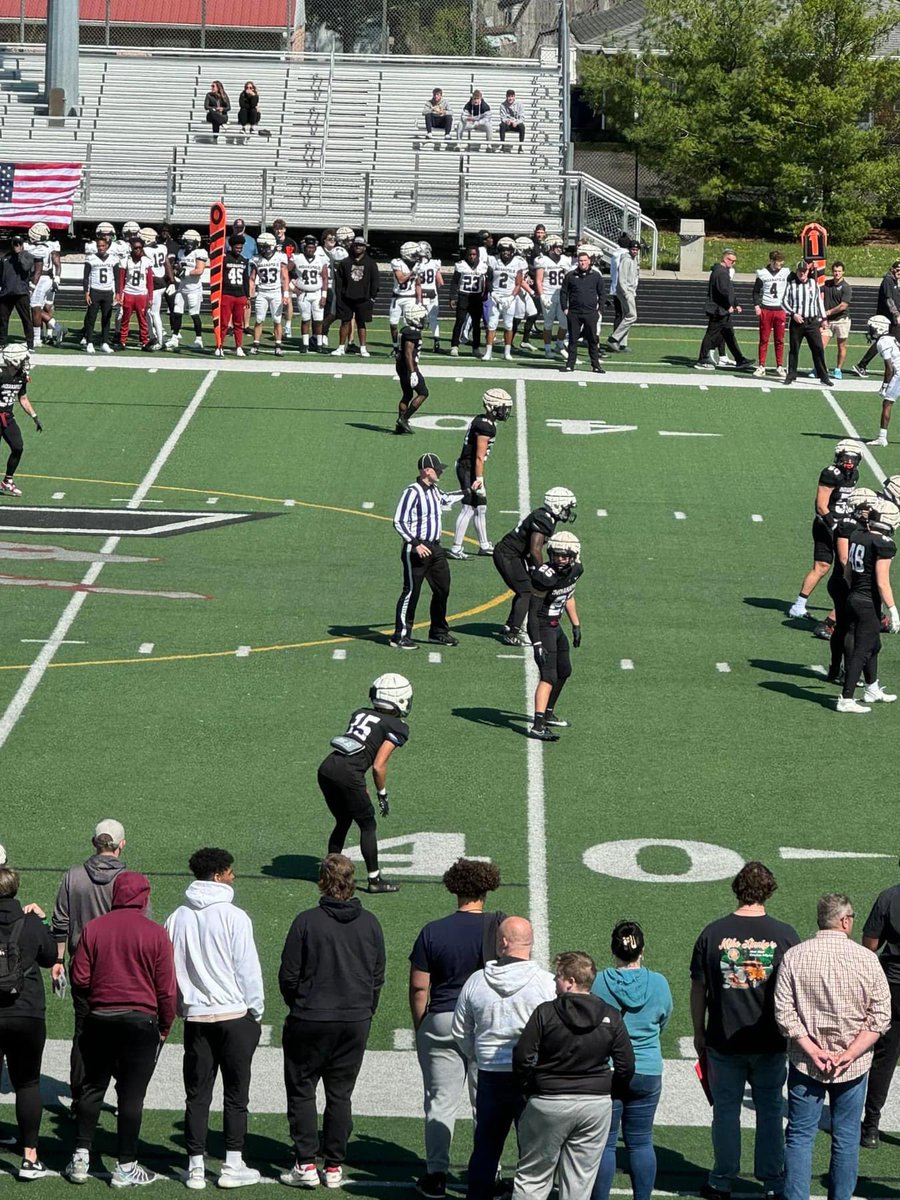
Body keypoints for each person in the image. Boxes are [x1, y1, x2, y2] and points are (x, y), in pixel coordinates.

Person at [690, 862, 800, 1200]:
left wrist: (698, 1031)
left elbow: (699, 988)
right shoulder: (785, 935)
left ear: (737, 889)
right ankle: (772, 1181)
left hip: (724, 1039)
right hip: (770, 1040)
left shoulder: (713, 933)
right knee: (769, 1111)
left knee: (725, 1112)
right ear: (769, 891)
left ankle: (722, 1178)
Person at [278, 854, 385, 1192]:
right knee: (340, 1094)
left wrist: (300, 1004)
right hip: (354, 1020)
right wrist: (364, 1009)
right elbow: (377, 976)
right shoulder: (370, 923)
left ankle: (306, 1162)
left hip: (310, 1017)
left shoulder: (306, 921)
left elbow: (288, 975)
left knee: (302, 1089)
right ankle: (335, 1166)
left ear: (323, 882)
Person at [774, 893, 891, 1200]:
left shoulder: (795, 957)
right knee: (846, 1137)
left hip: (805, 1062)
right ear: (844, 921)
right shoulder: (866, 959)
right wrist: (849, 1054)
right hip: (852, 1065)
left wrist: (812, 1050)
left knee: (800, 1136)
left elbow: (784, 1014)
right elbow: (880, 1017)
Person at [65, 871, 177, 1188]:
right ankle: (126, 1164)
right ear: (143, 897)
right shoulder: (155, 933)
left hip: (100, 1018)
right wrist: (166, 1025)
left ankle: (81, 1157)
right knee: (131, 1096)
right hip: (142, 1022)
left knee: (92, 1088)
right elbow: (167, 988)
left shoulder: (95, 928)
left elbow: (81, 978)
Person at [165, 848, 263, 1189]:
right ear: (219, 875)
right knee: (236, 1094)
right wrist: (256, 1010)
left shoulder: (177, 917)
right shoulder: (235, 917)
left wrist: (180, 1006)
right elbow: (248, 970)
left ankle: (195, 1167)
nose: (234, 876)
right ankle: (233, 1164)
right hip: (235, 1016)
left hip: (196, 1019)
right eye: (231, 871)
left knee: (197, 1094)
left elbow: (170, 970)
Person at [409, 859, 505, 1200]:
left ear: (454, 888)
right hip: (486, 1023)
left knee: (439, 1103)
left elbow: (420, 988)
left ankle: (436, 1174)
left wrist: (422, 1025)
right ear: (487, 888)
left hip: (442, 1018)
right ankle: (488, 1175)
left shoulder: (433, 930)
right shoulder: (500, 928)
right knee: (486, 1104)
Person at [512, 951, 635, 1200]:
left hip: (549, 1101)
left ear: (570, 981)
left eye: (558, 977)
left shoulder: (545, 1012)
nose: (555, 982)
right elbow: (626, 1065)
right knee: (578, 1183)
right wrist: (609, 1091)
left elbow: (522, 1056)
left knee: (533, 1178)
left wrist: (530, 1086)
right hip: (595, 1105)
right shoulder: (611, 1015)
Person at [452, 917, 556, 1200]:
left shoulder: (477, 981)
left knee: (485, 1148)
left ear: (503, 943)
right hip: (531, 1077)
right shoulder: (547, 984)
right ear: (530, 943)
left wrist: (479, 1055)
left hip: (489, 1075)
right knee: (532, 1151)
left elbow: (460, 1030)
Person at [51, 818, 128, 1114]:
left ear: (94, 842)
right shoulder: (128, 880)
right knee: (122, 1033)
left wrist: (58, 960)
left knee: (83, 1034)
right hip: (120, 970)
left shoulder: (74, 876)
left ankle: (79, 1098)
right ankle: (124, 1097)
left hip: (82, 967)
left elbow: (60, 922)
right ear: (121, 844)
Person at [591, 922, 673, 1200]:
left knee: (605, 1144)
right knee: (640, 1142)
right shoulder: (659, 982)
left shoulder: (599, 981)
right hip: (647, 1069)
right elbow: (663, 1020)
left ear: (613, 949)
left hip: (609, 1068)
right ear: (642, 949)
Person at [318, 673, 412, 895]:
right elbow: (379, 766)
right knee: (368, 825)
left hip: (328, 767)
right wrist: (382, 794)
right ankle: (374, 879)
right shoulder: (397, 726)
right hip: (349, 773)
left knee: (343, 820)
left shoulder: (360, 712)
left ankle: (328, 875)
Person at [0, 865, 57, 1180]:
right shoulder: (31, 922)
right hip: (27, 1011)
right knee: (28, 1083)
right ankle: (30, 1157)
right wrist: (42, 921)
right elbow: (49, 958)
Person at [392, 453, 462, 650]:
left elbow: (446, 499)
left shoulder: (434, 490)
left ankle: (438, 631)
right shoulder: (412, 492)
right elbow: (399, 520)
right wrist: (415, 543)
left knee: (443, 588)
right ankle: (400, 635)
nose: (440, 472)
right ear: (427, 470)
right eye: (437, 469)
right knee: (411, 592)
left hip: (435, 548)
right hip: (416, 549)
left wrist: (467, 491)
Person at [837, 496, 900, 713]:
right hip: (866, 601)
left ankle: (872, 688)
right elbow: (883, 582)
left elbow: (847, 571)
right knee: (862, 650)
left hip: (854, 596)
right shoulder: (883, 544)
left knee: (874, 645)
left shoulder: (857, 535)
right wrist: (893, 611)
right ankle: (846, 698)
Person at [788, 439, 863, 621]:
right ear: (838, 457)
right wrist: (834, 525)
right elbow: (821, 505)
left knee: (823, 566)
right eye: (846, 458)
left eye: (853, 459)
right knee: (844, 564)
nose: (849, 462)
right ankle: (849, 603)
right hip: (827, 525)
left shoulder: (854, 474)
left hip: (841, 524)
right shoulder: (831, 474)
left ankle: (798, 607)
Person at [493, 487, 577, 647]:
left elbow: (532, 551)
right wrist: (543, 572)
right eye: (567, 508)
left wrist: (535, 569)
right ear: (557, 506)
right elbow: (535, 549)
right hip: (508, 554)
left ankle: (510, 625)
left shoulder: (546, 516)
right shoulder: (544, 519)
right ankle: (513, 633)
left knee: (526, 589)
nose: (568, 512)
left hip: (514, 555)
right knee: (526, 591)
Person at [527, 531, 583, 741]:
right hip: (542, 626)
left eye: (565, 555)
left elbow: (568, 595)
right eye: (556, 554)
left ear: (574, 556)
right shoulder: (544, 576)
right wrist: (537, 643)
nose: (560, 559)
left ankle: (548, 713)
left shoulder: (576, 570)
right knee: (548, 676)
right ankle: (538, 725)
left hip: (555, 625)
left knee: (564, 670)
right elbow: (532, 613)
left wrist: (576, 624)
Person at [860, 865, 900, 1147]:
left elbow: (870, 945)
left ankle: (871, 1126)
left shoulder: (888, 898)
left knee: (884, 1059)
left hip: (893, 987)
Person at [449, 388, 514, 559]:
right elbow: (479, 456)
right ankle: (456, 548)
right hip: (468, 468)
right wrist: (479, 479)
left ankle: (484, 545)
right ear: (492, 406)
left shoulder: (483, 420)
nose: (505, 411)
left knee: (481, 507)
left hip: (470, 467)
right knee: (469, 507)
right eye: (502, 407)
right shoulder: (485, 426)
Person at [695, 249, 755, 372]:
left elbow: (729, 290)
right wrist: (728, 305)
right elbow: (723, 292)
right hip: (719, 310)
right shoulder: (721, 273)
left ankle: (740, 359)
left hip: (722, 310)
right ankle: (702, 359)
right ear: (724, 258)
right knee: (711, 334)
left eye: (734, 261)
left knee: (729, 335)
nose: (732, 263)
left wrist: (735, 303)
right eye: (730, 260)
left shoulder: (722, 271)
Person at [0, 342, 41, 497]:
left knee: (18, 447)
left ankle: (7, 480)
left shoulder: (21, 376)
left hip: (8, 417)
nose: (26, 362)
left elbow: (22, 398)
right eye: (23, 359)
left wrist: (34, 416)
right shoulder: (1, 374)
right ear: (15, 360)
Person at [782, 259, 832, 386]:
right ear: (797, 271)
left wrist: (824, 318)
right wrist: (793, 314)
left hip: (812, 322)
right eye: (800, 271)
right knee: (794, 349)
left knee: (818, 348)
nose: (802, 274)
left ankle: (823, 376)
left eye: (804, 271)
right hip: (797, 322)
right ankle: (791, 374)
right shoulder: (791, 284)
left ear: (808, 271)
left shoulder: (813, 284)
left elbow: (819, 302)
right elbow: (783, 302)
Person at [852, 261, 900, 378]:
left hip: (891, 319)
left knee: (885, 342)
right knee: (883, 342)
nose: (899, 272)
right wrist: (897, 314)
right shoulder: (888, 281)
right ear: (892, 269)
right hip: (887, 320)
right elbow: (889, 300)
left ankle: (863, 365)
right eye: (898, 269)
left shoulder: (894, 282)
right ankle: (862, 365)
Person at [559, 250, 605, 374]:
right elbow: (563, 293)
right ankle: (570, 365)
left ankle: (596, 365)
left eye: (585, 261)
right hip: (574, 312)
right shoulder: (570, 275)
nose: (583, 263)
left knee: (592, 340)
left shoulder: (596, 275)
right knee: (573, 340)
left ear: (589, 261)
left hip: (590, 313)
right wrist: (565, 308)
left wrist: (600, 309)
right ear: (577, 262)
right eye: (580, 261)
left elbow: (602, 294)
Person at [333, 237, 379, 357]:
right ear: (352, 246)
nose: (358, 247)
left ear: (365, 247)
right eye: (356, 245)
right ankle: (341, 347)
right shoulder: (345, 262)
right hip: (346, 298)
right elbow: (339, 282)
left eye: (361, 245)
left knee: (361, 323)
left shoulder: (371, 263)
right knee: (345, 322)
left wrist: (372, 297)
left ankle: (363, 348)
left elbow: (375, 282)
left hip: (363, 299)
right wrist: (340, 296)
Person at [862, 314, 900, 447]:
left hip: (898, 375)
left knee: (887, 403)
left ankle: (882, 437)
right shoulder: (890, 338)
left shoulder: (883, 342)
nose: (870, 330)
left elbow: (890, 368)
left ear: (878, 328)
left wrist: (884, 386)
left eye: (871, 328)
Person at [166, 229, 208, 351]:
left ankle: (199, 340)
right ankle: (174, 338)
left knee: (194, 314)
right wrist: (176, 272)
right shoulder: (181, 252)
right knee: (177, 312)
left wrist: (186, 272)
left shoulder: (200, 252)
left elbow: (199, 270)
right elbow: (178, 268)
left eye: (189, 241)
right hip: (182, 287)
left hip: (194, 289)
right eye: (186, 241)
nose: (187, 244)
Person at [249, 232, 289, 357]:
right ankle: (255, 344)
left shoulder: (280, 257)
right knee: (259, 319)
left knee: (277, 320)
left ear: (272, 245)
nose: (263, 249)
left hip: (276, 292)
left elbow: (284, 276)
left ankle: (278, 345)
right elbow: (252, 278)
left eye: (265, 246)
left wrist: (286, 294)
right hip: (262, 292)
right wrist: (250, 294)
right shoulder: (256, 258)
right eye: (261, 246)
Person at [484, 238, 524, 362]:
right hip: (496, 296)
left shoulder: (518, 262)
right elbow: (488, 280)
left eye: (508, 250)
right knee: (492, 324)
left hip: (509, 297)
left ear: (513, 251)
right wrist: (493, 293)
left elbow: (518, 283)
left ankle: (507, 352)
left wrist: (512, 297)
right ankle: (488, 352)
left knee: (508, 325)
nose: (506, 252)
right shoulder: (493, 260)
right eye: (503, 250)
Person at [24, 221, 63, 348]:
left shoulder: (32, 248)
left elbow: (37, 270)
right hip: (50, 278)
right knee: (47, 307)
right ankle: (47, 334)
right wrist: (57, 279)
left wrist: (32, 285)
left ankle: (40, 337)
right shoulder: (52, 245)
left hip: (40, 279)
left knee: (35, 308)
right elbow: (57, 263)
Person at [751, 250, 789, 378]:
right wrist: (757, 306)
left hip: (780, 309)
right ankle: (761, 365)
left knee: (780, 340)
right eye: (778, 261)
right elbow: (756, 291)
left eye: (782, 261)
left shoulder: (786, 272)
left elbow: (801, 276)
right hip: (766, 308)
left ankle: (779, 366)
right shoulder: (762, 273)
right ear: (772, 261)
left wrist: (811, 268)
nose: (781, 263)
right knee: (764, 339)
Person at [395, 303, 430, 436]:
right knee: (423, 393)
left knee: (407, 395)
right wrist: (413, 372)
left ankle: (399, 426)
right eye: (421, 318)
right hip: (409, 367)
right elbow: (408, 353)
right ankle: (404, 419)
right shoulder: (412, 333)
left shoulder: (405, 329)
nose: (423, 320)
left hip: (401, 366)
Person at [80, 232, 118, 354]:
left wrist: (117, 293)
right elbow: (85, 277)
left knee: (106, 319)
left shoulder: (113, 259)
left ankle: (104, 342)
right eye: (99, 246)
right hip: (95, 291)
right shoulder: (91, 258)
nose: (101, 248)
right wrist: (86, 292)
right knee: (91, 318)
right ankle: (90, 342)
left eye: (103, 246)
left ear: (107, 246)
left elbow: (117, 277)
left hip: (107, 292)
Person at [291, 235, 329, 354]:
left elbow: (325, 278)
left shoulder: (321, 259)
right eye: (308, 247)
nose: (310, 250)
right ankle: (305, 344)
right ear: (304, 247)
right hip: (303, 294)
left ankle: (319, 344)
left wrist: (324, 295)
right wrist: (293, 288)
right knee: (305, 319)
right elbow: (284, 273)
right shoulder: (297, 258)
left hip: (317, 293)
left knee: (318, 320)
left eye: (313, 247)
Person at [534, 237, 571, 358]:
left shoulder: (565, 260)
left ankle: (559, 345)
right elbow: (539, 280)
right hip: (548, 295)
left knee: (565, 323)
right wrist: (542, 296)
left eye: (561, 247)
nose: (560, 249)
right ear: (550, 247)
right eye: (557, 247)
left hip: (562, 295)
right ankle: (547, 348)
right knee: (548, 323)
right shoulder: (542, 260)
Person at [116, 235, 154, 351]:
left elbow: (150, 282)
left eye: (140, 248)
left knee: (142, 319)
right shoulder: (125, 262)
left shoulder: (146, 262)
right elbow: (121, 280)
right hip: (128, 293)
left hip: (141, 294)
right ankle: (122, 341)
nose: (138, 250)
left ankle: (144, 341)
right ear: (131, 248)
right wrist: (119, 294)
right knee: (125, 319)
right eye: (135, 248)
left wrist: (150, 297)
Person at [450, 245, 488, 358]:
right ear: (467, 255)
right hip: (463, 296)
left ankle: (475, 348)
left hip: (476, 297)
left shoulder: (483, 266)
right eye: (470, 254)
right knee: (459, 321)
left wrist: (487, 294)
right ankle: (454, 346)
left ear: (477, 255)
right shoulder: (460, 265)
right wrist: (452, 297)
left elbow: (489, 280)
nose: (472, 257)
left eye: (474, 254)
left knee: (476, 324)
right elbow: (454, 282)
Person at [218, 232, 251, 358]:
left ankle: (239, 347)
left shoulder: (243, 260)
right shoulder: (225, 259)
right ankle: (220, 345)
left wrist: (247, 296)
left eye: (240, 247)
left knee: (239, 323)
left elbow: (246, 279)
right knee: (225, 323)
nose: (239, 250)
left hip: (240, 295)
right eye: (237, 247)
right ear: (231, 246)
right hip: (227, 294)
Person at [141, 227, 175, 350]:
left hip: (154, 283)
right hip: (162, 282)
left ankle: (159, 340)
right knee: (148, 313)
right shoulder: (162, 247)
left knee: (154, 313)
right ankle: (153, 337)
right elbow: (167, 264)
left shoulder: (145, 250)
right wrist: (172, 281)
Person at [0, 235, 36, 349]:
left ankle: (30, 344)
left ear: (22, 245)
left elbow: (26, 268)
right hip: (6, 293)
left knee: (26, 319)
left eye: (18, 243)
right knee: (2, 319)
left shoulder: (28, 256)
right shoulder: (5, 257)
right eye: (14, 243)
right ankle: (2, 342)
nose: (16, 245)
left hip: (21, 293)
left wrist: (19, 254)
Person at [819, 261, 852, 379]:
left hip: (842, 320)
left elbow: (843, 305)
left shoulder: (846, 287)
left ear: (843, 272)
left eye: (839, 271)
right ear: (832, 272)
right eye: (835, 271)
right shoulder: (827, 284)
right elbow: (816, 289)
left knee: (841, 346)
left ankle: (838, 369)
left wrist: (828, 312)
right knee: (820, 345)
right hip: (827, 322)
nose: (837, 273)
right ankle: (819, 368)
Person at [607, 240, 640, 353]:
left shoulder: (633, 259)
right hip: (626, 291)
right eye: (633, 249)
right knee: (632, 316)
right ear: (629, 249)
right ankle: (614, 338)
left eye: (636, 250)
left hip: (630, 291)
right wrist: (626, 293)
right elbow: (622, 278)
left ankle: (622, 343)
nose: (635, 251)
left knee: (627, 315)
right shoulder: (626, 260)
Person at [390, 242, 422, 352]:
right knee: (393, 324)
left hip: (411, 297)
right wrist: (412, 272)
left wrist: (419, 302)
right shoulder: (397, 263)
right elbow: (401, 280)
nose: (416, 256)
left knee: (410, 325)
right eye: (414, 253)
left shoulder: (418, 264)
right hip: (398, 297)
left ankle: (408, 348)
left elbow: (418, 284)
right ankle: (395, 346)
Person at [413, 241, 444, 353]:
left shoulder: (416, 265)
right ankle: (436, 342)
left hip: (420, 293)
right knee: (433, 319)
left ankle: (416, 343)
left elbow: (417, 283)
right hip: (432, 293)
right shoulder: (435, 263)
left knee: (417, 319)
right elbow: (440, 282)